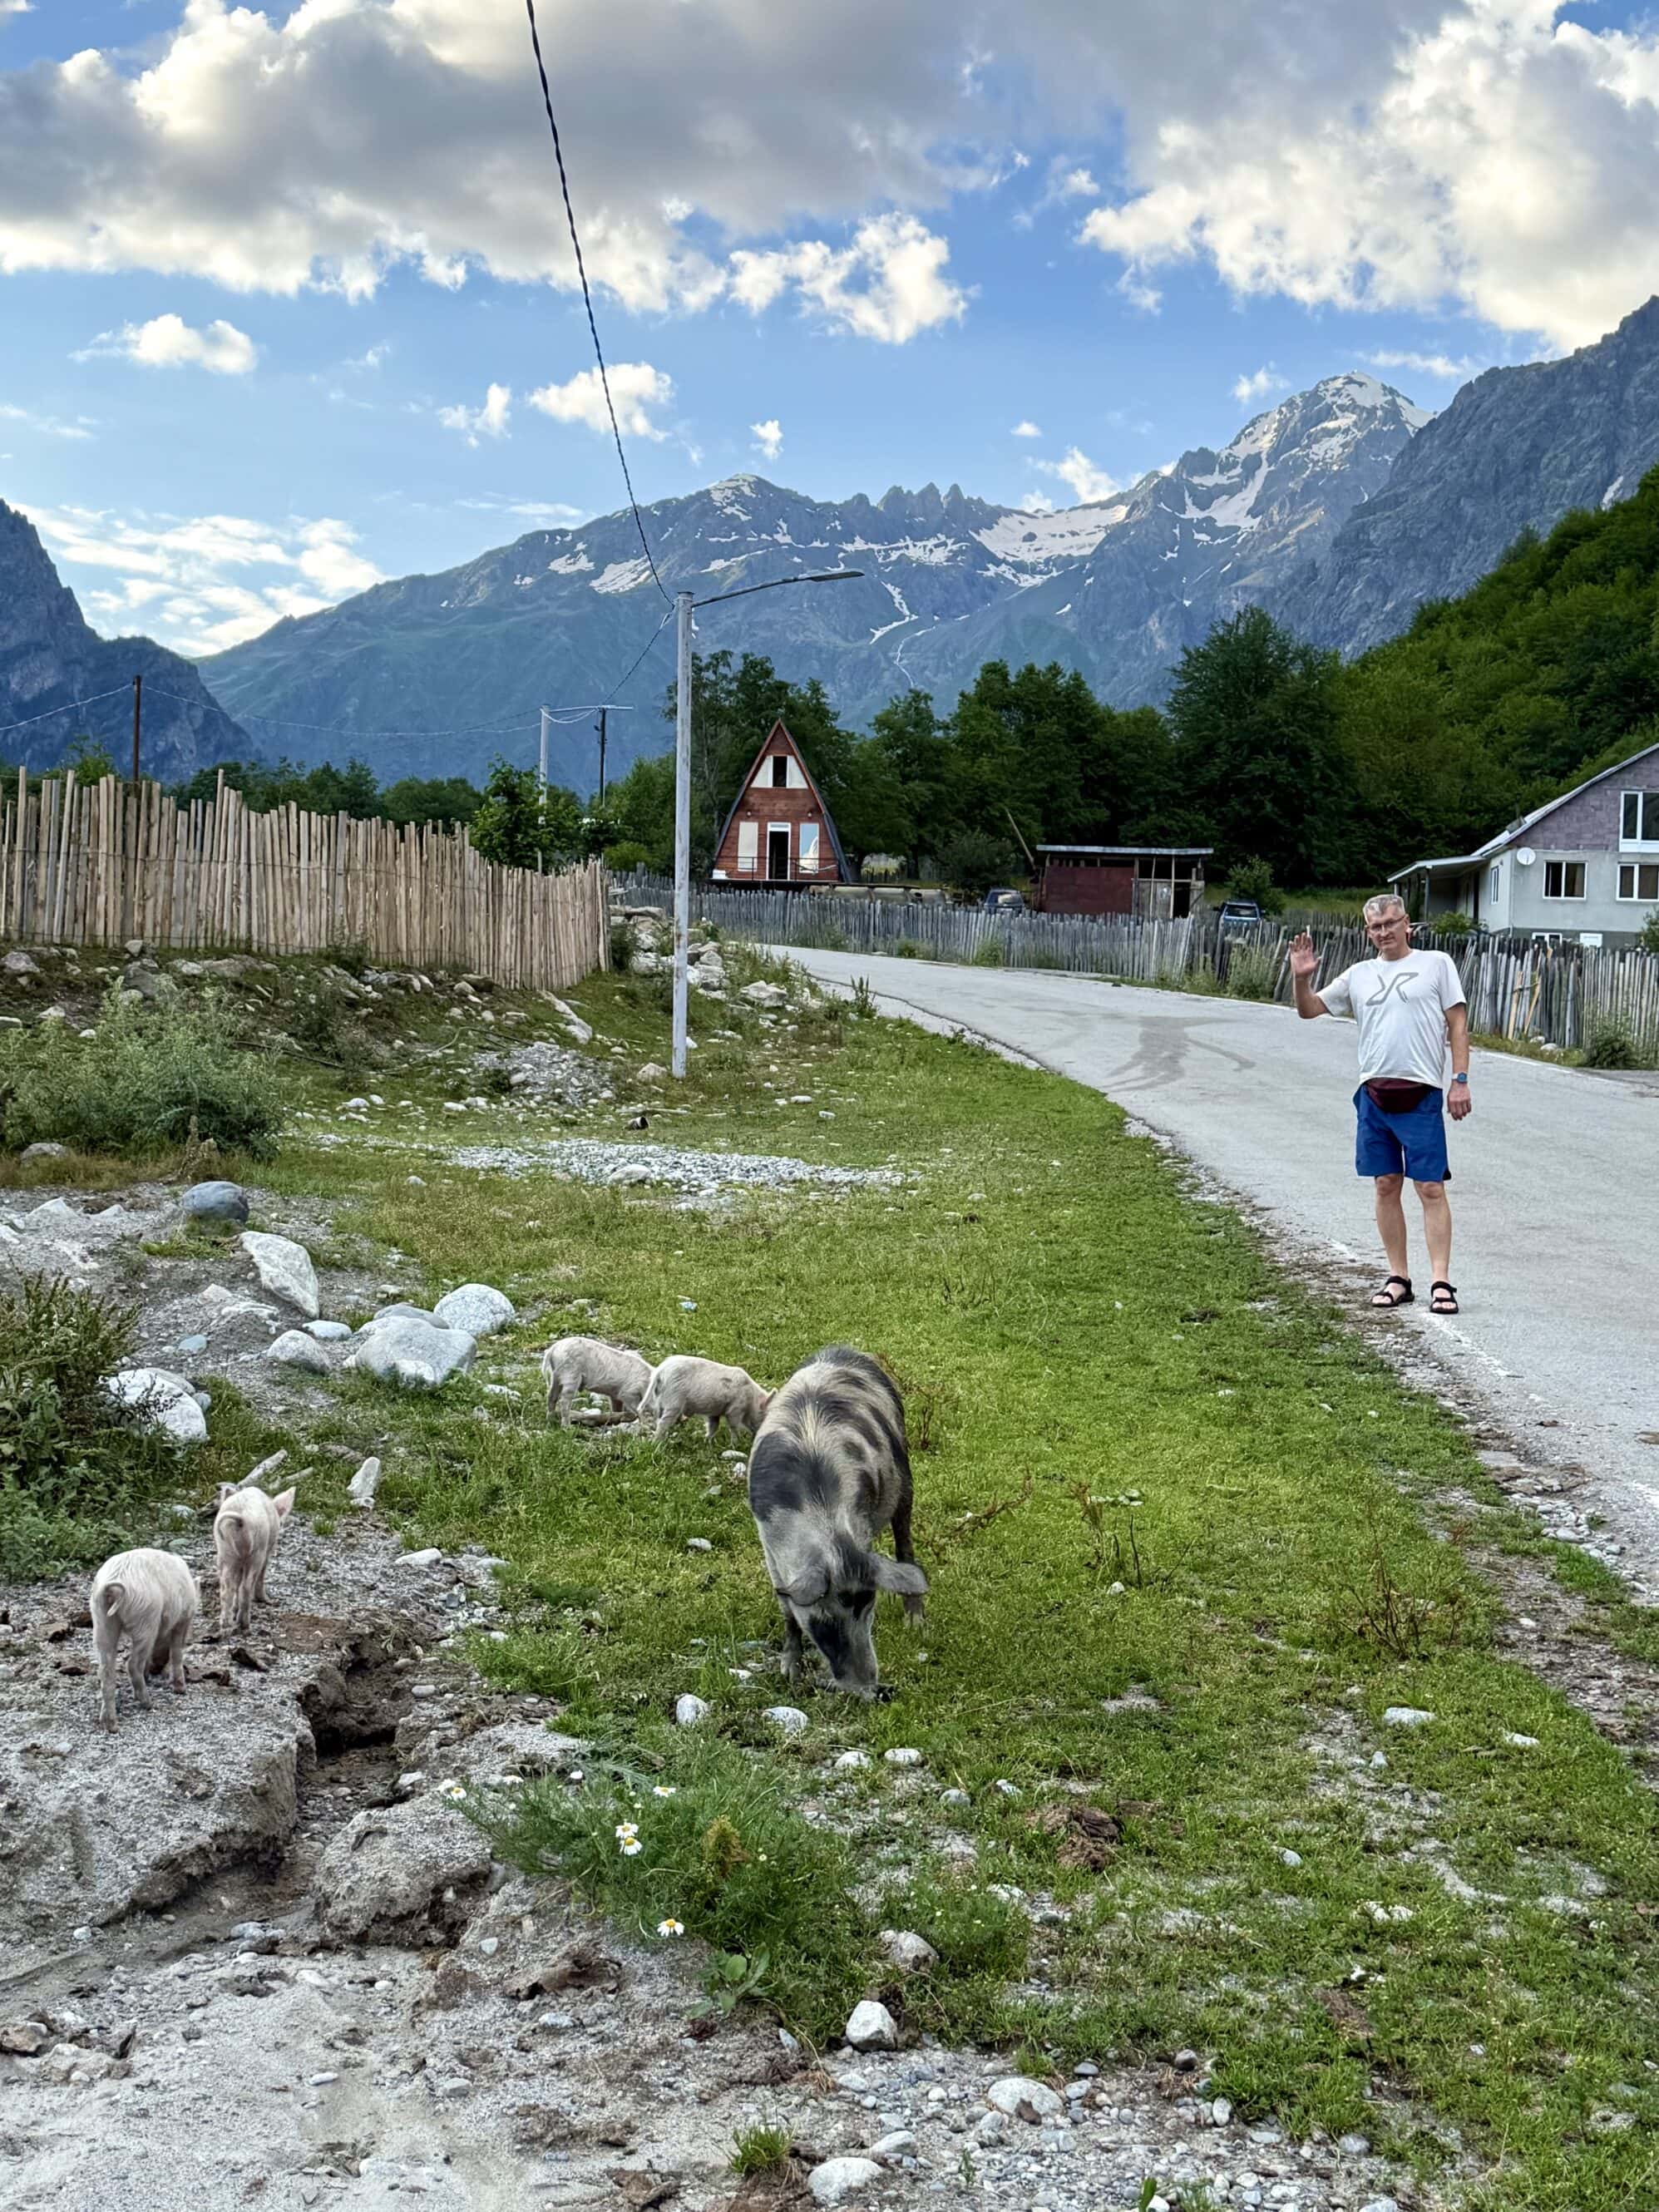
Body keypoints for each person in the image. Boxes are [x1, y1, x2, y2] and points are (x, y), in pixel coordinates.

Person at [1289, 893, 1472, 1315]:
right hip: (1374, 1094)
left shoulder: (1436, 964)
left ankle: (1441, 1281)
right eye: (1376, 926)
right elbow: (1309, 1010)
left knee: (1429, 1186)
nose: (1384, 932)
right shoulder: (1359, 974)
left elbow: (1458, 1023)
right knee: (1386, 1184)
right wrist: (1302, 978)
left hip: (1421, 1091)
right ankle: (1399, 1278)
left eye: (1391, 923)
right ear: (1367, 931)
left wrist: (1459, 1081)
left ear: (1407, 923)